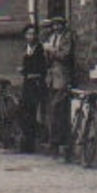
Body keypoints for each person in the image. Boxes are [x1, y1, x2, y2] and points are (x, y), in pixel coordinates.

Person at [43, 16, 75, 155]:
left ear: (63, 26)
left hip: (62, 76)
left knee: (58, 108)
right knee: (51, 109)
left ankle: (58, 141)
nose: (56, 28)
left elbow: (65, 55)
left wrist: (51, 50)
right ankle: (53, 141)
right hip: (52, 77)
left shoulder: (66, 38)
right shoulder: (51, 37)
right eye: (54, 25)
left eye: (58, 25)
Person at [17, 23, 47, 152]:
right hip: (27, 83)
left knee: (33, 111)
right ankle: (26, 142)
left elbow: (42, 67)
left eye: (34, 34)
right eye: (29, 34)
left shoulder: (40, 49)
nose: (31, 36)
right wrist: (23, 71)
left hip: (36, 83)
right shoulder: (26, 48)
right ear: (25, 36)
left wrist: (28, 71)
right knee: (24, 112)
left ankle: (32, 143)